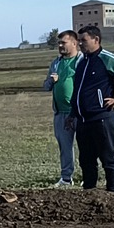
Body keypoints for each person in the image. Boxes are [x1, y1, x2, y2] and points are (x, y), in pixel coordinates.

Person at [71, 25, 114, 192]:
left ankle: (113, 190)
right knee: (86, 159)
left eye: (84, 40)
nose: (80, 44)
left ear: (96, 40)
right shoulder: (81, 62)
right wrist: (73, 114)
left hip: (102, 118)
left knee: (107, 157)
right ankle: (89, 191)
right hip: (83, 120)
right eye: (79, 41)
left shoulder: (107, 58)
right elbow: (78, 90)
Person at [43, 31, 79, 188]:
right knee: (65, 146)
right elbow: (45, 87)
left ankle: (90, 176)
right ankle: (66, 178)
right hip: (61, 113)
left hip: (80, 112)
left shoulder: (82, 61)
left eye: (63, 43)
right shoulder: (56, 63)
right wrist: (51, 80)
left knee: (87, 146)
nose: (60, 46)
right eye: (59, 43)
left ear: (74, 43)